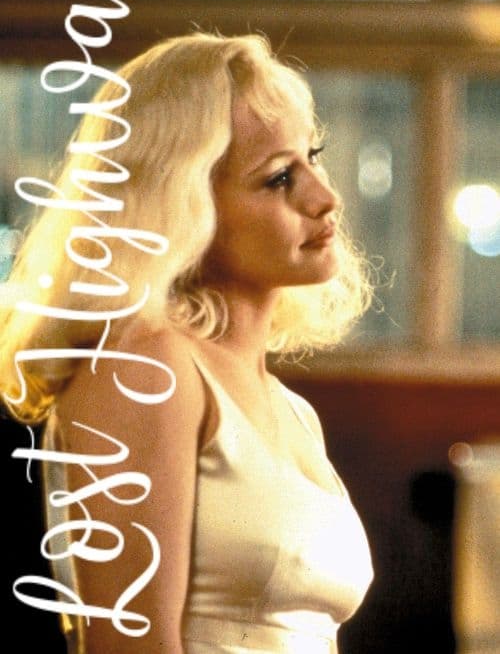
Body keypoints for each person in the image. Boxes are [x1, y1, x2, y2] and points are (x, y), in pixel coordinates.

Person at [0, 32, 374, 653]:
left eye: (314, 156)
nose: (325, 198)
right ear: (179, 205)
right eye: (280, 177)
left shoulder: (294, 413)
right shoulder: (141, 368)